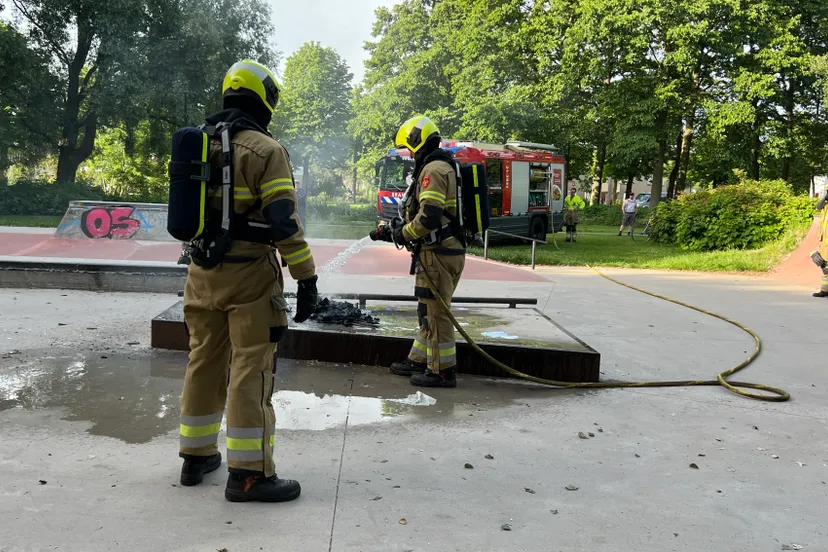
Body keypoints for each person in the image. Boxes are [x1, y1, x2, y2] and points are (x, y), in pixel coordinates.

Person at [177, 59, 318, 503]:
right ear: (264, 99)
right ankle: (250, 474)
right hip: (250, 276)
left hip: (200, 273)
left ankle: (196, 456)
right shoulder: (264, 150)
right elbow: (282, 220)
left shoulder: (198, 143)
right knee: (251, 370)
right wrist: (306, 276)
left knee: (203, 362)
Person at [373, 115, 465, 388]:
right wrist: (396, 228)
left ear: (418, 142)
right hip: (438, 252)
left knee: (437, 313)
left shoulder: (433, 170)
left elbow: (429, 218)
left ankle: (443, 371)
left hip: (438, 253)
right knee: (427, 311)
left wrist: (403, 233)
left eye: (410, 149)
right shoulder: (439, 165)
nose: (411, 155)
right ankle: (419, 359)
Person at [811, 190, 828, 298]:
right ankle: (825, 290)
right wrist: (825, 198)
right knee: (823, 264)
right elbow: (818, 206)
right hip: (824, 240)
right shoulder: (825, 204)